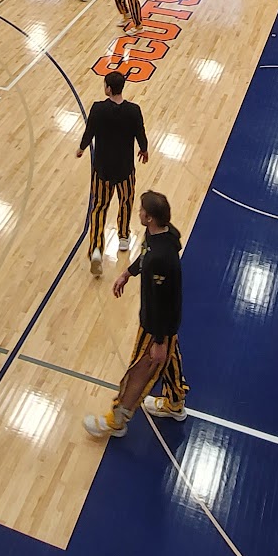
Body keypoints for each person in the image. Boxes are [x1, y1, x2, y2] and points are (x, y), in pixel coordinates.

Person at [84, 190, 186, 436]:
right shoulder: (162, 235)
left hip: (156, 325)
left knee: (141, 369)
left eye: (141, 210)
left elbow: (162, 302)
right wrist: (128, 273)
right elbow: (145, 254)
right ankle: (175, 402)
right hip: (163, 323)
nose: (138, 213)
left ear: (149, 218)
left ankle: (117, 420)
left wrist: (159, 340)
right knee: (169, 358)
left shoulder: (161, 259)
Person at [78, 68, 149, 275]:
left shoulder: (98, 109)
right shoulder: (133, 110)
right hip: (125, 169)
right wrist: (144, 150)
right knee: (126, 201)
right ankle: (124, 237)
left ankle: (96, 249)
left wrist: (81, 148)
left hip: (102, 170)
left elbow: (89, 131)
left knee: (99, 208)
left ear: (108, 88)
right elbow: (140, 133)